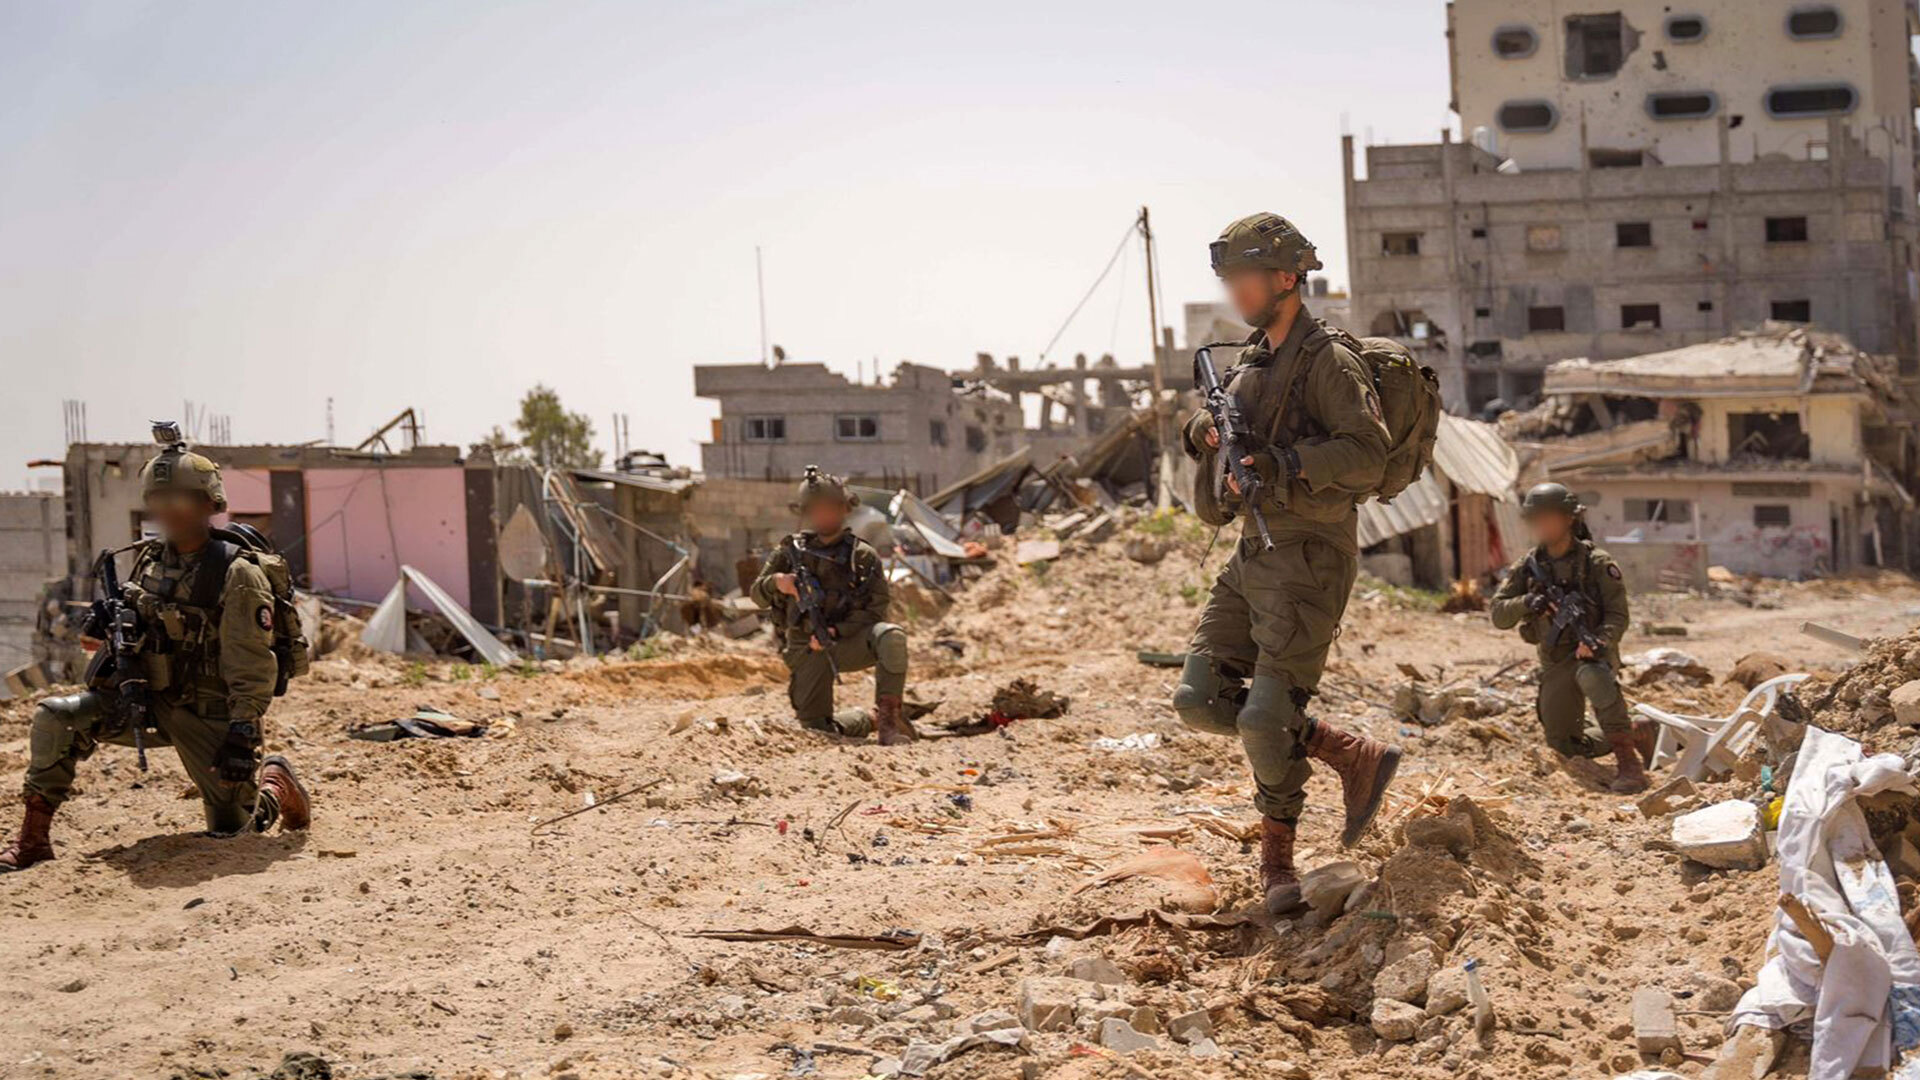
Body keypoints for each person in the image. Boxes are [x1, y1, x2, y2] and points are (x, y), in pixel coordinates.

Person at [1172, 212, 1402, 916]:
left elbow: (1369, 453)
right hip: (1253, 552)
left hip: (1310, 554)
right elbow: (1216, 431)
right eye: (1230, 280)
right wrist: (1204, 431)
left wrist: (1286, 462)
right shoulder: (1252, 360)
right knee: (1199, 700)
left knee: (1264, 717)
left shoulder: (1328, 361)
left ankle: (1277, 860)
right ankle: (1346, 751)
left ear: (1285, 277)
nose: (1236, 292)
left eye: (1245, 278)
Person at [1, 430, 310, 872]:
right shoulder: (151, 559)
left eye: (179, 499)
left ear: (208, 503)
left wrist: (243, 732)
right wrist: (107, 623)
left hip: (207, 711)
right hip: (144, 699)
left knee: (234, 831)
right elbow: (140, 617)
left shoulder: (237, 573)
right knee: (56, 717)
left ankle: (275, 785)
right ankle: (32, 841)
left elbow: (252, 663)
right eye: (158, 499)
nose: (168, 510)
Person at [1490, 482, 1652, 794]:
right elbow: (1498, 614)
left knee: (1593, 675)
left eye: (1548, 517)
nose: (1541, 525)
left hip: (1593, 654)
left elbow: (1618, 615)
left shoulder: (1597, 563)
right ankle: (1635, 730)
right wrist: (1527, 602)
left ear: (1568, 518)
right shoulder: (1528, 567)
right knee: (1564, 748)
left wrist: (1599, 641)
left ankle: (1628, 763)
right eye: (1536, 519)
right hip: (1554, 660)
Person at [751, 467, 915, 745]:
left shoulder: (861, 556)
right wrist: (778, 583)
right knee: (817, 730)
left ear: (844, 509)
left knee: (891, 637)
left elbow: (875, 610)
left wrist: (837, 631)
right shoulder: (788, 553)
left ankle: (889, 722)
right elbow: (757, 595)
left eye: (829, 508)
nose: (823, 515)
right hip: (805, 648)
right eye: (816, 510)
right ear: (806, 512)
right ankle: (870, 719)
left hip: (846, 642)